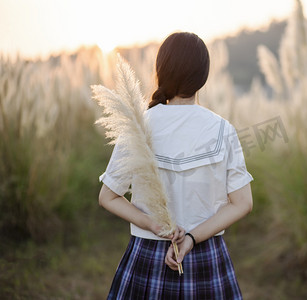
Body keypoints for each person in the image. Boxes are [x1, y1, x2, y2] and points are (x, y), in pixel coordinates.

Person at [98, 32, 253, 299]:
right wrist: (191, 238)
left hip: (148, 256)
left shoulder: (138, 126)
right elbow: (242, 203)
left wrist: (153, 224)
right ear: (202, 77)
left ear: (161, 71)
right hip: (207, 257)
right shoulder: (222, 130)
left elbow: (108, 196)